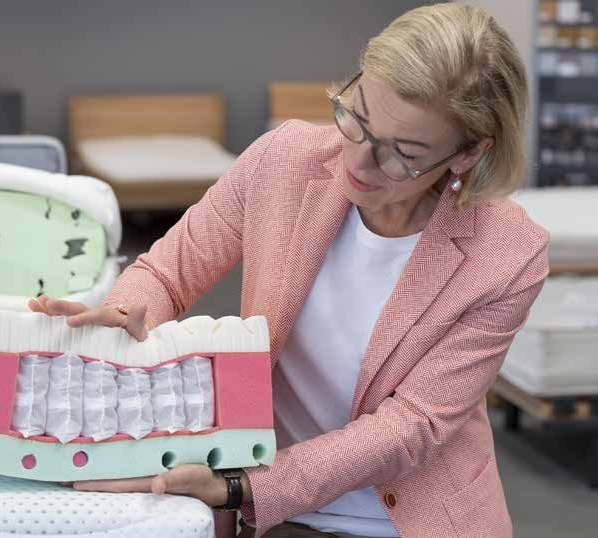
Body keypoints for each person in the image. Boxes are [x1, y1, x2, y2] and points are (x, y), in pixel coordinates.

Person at [29, 4, 549, 537]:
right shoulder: (284, 161)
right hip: (282, 512)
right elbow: (168, 271)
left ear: (468, 153)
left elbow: (412, 427)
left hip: (405, 519)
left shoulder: (507, 255)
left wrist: (239, 485)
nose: (358, 162)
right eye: (357, 119)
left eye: (402, 154)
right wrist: (124, 313)